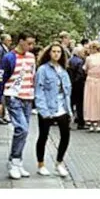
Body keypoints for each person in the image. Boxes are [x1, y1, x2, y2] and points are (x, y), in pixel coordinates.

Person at [0, 31, 37, 180]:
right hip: (13, 96)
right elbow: (0, 78)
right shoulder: (9, 57)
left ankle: (17, 160)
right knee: (22, 128)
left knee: (24, 132)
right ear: (20, 41)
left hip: (28, 96)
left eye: (32, 43)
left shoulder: (31, 57)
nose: (31, 46)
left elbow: (32, 76)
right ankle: (14, 161)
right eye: (28, 43)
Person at [34, 43, 71, 178]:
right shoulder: (43, 70)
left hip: (62, 107)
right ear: (49, 53)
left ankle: (59, 162)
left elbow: (67, 92)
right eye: (54, 51)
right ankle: (41, 164)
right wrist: (43, 110)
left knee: (65, 135)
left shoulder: (63, 71)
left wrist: (69, 110)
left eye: (59, 52)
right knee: (43, 136)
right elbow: (39, 90)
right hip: (48, 107)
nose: (56, 54)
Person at [83, 41, 100, 133]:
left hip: (90, 81)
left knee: (90, 101)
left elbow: (85, 69)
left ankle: (91, 122)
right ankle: (99, 123)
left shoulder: (89, 58)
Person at [0, 34, 12, 124]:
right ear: (4, 40)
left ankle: (2, 115)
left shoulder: (3, 48)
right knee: (1, 96)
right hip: (2, 75)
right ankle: (0, 117)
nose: (10, 42)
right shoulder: (0, 49)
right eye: (9, 40)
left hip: (4, 75)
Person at [68, 46, 87, 130]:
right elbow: (80, 74)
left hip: (70, 84)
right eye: (83, 52)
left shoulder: (69, 60)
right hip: (78, 85)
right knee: (79, 104)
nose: (84, 54)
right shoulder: (80, 61)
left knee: (70, 103)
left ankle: (68, 121)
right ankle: (80, 122)